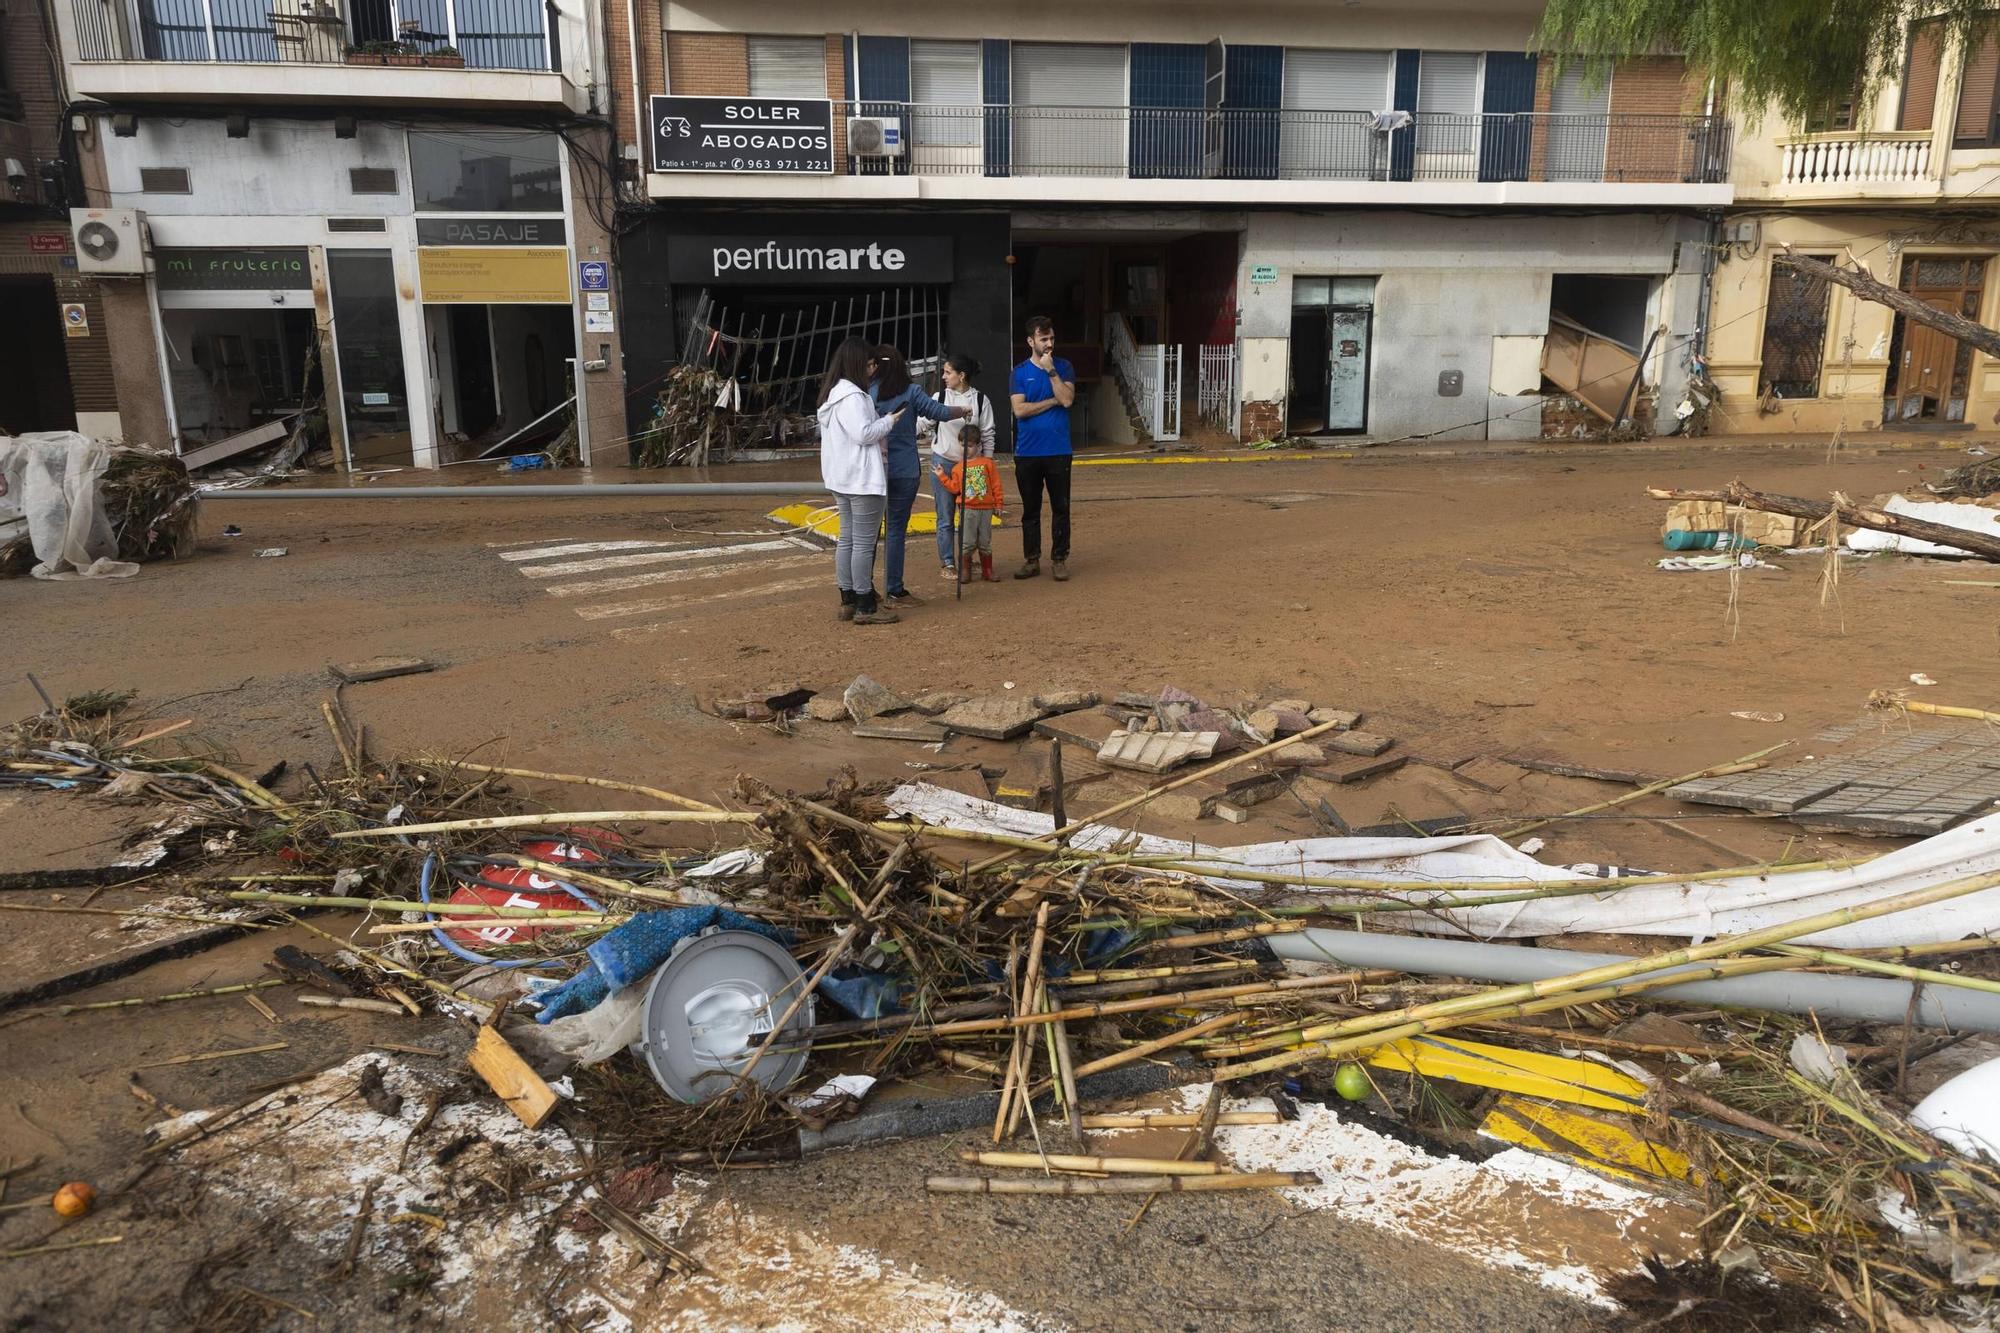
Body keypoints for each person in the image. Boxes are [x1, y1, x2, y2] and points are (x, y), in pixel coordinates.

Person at [870, 345, 968, 608]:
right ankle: (894, 589)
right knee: (895, 531)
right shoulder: (911, 391)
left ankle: (863, 589)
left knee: (867, 533)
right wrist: (963, 410)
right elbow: (938, 412)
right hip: (904, 470)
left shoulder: (868, 392)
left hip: (873, 471)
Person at [817, 335, 905, 626]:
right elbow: (865, 433)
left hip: (842, 478)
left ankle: (848, 599)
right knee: (863, 545)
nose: (872, 370)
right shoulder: (854, 397)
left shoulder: (834, 394)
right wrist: (890, 420)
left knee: (849, 540)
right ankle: (865, 604)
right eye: (869, 364)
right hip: (862, 480)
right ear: (858, 364)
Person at [918, 351, 998, 581]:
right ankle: (948, 562)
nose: (943, 376)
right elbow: (923, 422)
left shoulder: (981, 400)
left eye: (947, 372)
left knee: (970, 515)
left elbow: (988, 434)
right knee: (945, 516)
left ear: (961, 375)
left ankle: (966, 558)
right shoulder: (939, 397)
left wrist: (987, 463)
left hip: (973, 466)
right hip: (943, 462)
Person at [1009, 315, 1075, 581]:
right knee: (1030, 509)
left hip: (1058, 449)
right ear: (1030, 341)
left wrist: (1051, 371)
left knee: (1061, 507)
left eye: (1052, 338)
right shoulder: (1019, 372)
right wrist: (1051, 401)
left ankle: (1059, 559)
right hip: (1027, 452)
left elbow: (1068, 400)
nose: (1049, 344)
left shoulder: (1064, 367)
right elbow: (1019, 410)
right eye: (1043, 339)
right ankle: (1031, 559)